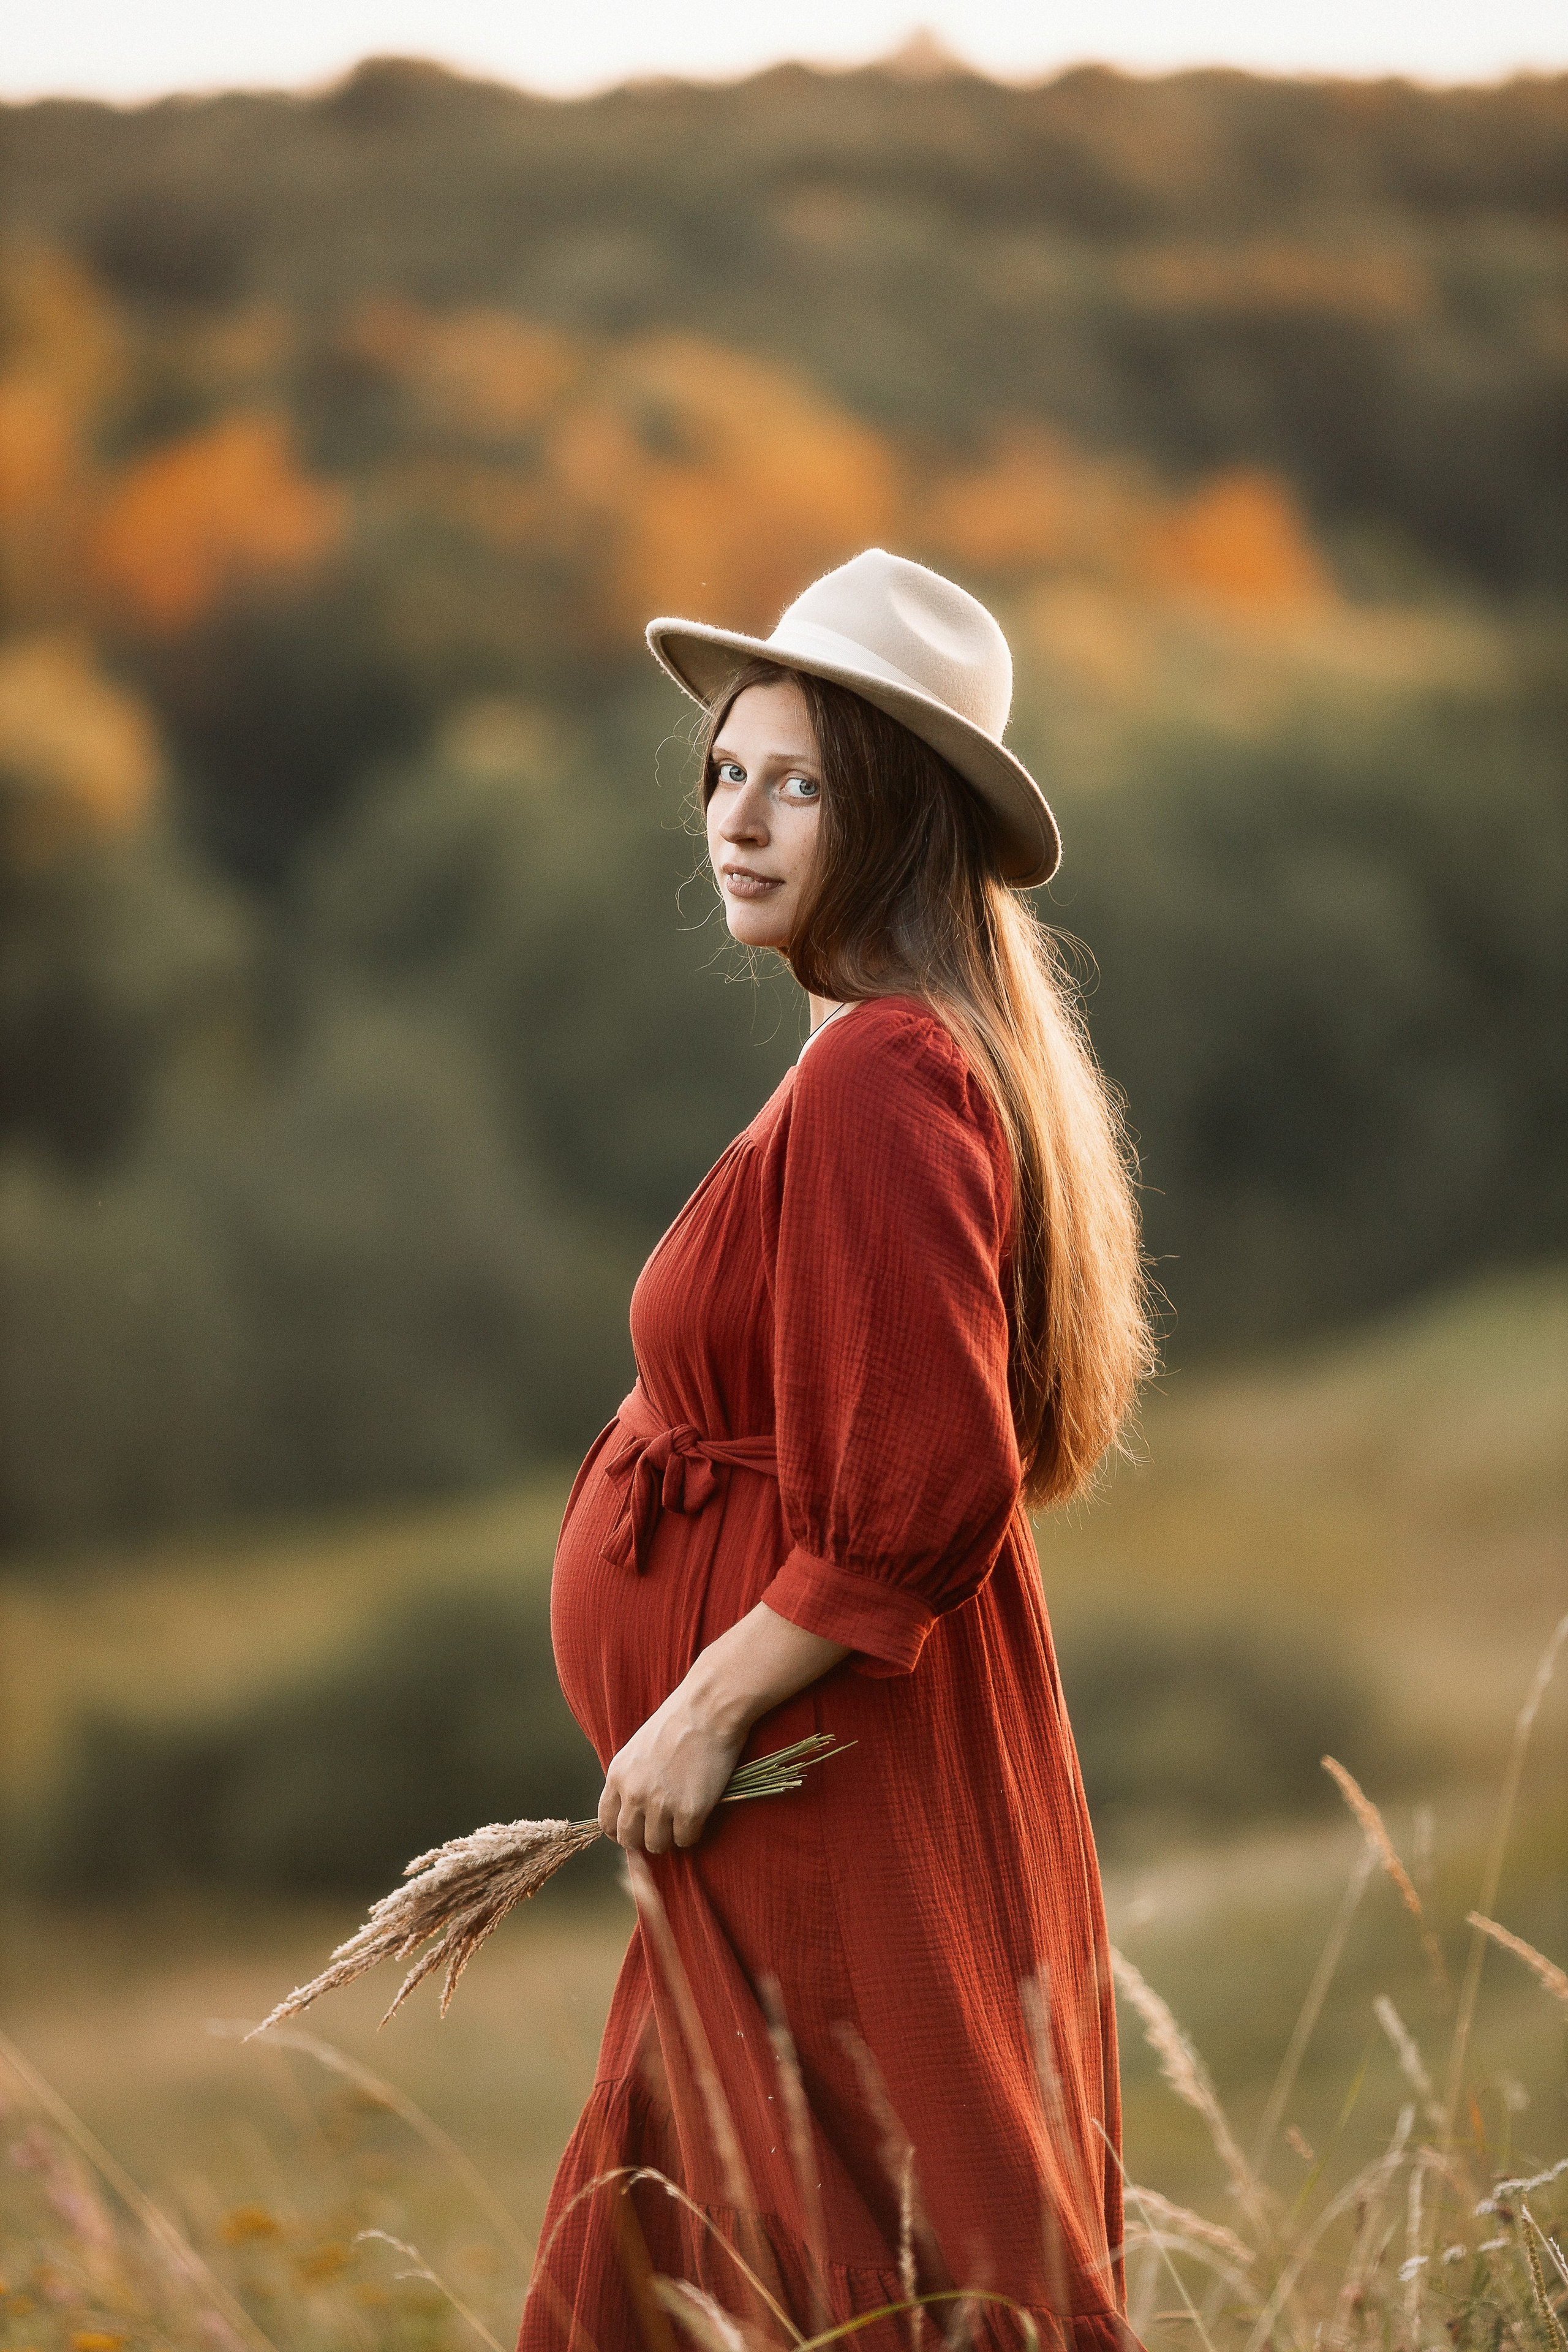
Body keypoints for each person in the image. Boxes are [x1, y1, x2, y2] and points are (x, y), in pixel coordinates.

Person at [518, 548, 1155, 2351]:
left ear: (898, 819)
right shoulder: (895, 1057)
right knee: (745, 2241)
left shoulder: (886, 1074)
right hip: (786, 1796)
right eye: (727, 771)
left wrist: (709, 1704)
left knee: (851, 2247)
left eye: (801, 783)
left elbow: (924, 1482)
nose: (741, 819)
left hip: (810, 1780)